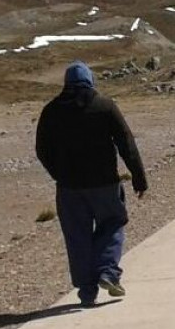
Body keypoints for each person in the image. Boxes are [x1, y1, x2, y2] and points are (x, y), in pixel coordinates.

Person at [36, 61, 147, 307]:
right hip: (104, 183)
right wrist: (139, 178)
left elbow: (42, 150)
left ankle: (87, 292)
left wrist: (59, 174)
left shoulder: (51, 111)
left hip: (69, 188)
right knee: (113, 222)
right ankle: (108, 271)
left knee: (77, 237)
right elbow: (126, 144)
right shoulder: (104, 106)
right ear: (90, 81)